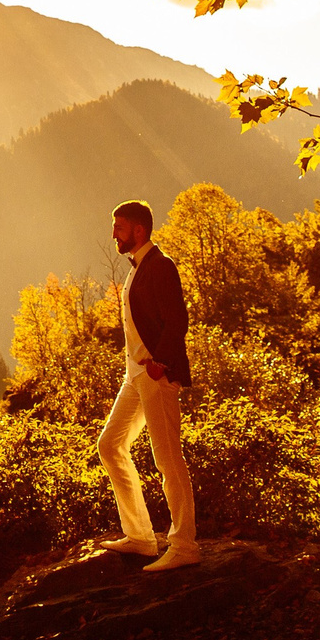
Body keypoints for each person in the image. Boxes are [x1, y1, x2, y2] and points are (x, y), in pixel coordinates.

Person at [97, 198, 198, 570]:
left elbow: (178, 320)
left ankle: (184, 545)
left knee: (168, 459)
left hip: (155, 375)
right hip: (134, 377)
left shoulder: (161, 265)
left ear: (139, 230)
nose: (113, 234)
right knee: (109, 445)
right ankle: (140, 536)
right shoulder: (136, 268)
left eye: (119, 227)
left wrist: (162, 363)